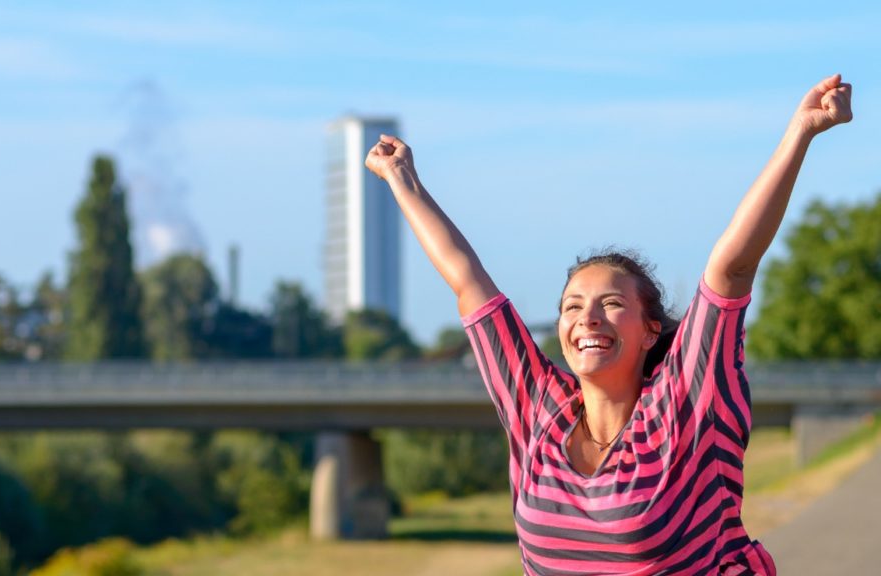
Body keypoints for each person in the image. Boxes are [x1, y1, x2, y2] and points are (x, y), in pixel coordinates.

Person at [364, 74, 853, 575]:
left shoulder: (686, 402)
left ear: (650, 330)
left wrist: (801, 131)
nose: (587, 318)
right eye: (572, 307)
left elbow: (732, 269)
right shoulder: (539, 411)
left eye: (611, 303)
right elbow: (468, 280)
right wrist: (403, 179)